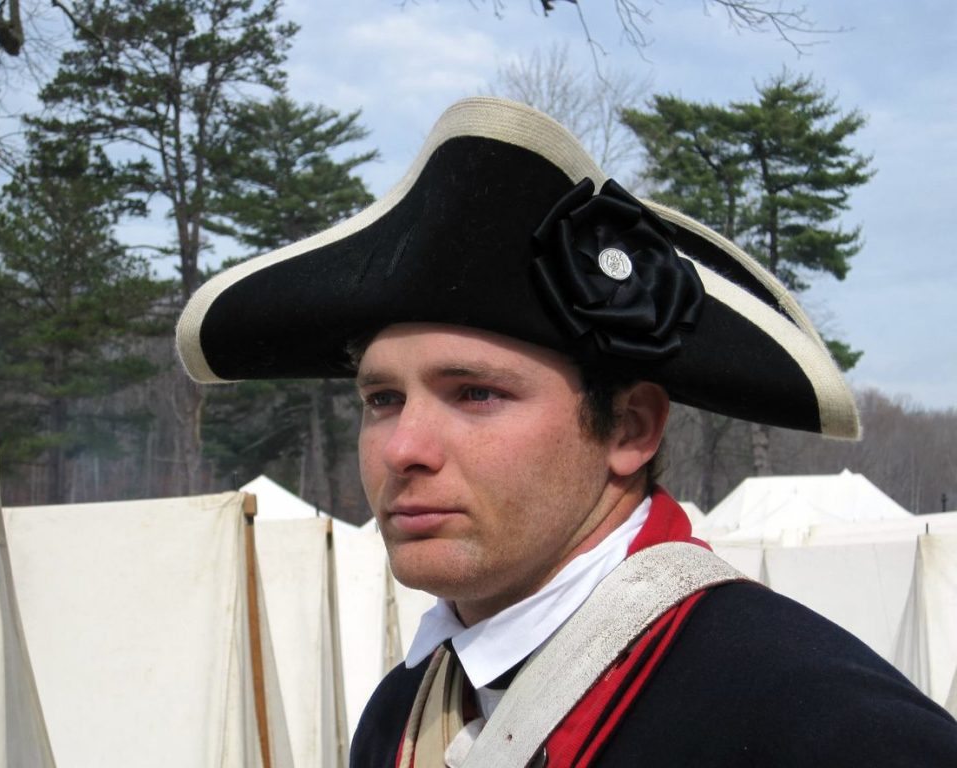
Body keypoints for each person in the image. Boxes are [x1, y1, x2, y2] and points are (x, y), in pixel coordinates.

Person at [176, 98, 957, 766]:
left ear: (630, 427)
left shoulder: (822, 726)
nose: (402, 449)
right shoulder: (398, 715)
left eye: (475, 392)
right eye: (382, 398)